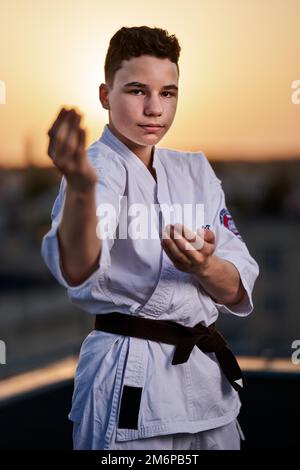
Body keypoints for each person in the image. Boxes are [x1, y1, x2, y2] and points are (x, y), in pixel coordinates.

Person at [41, 25, 259, 450]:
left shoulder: (194, 170)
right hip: (130, 381)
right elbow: (78, 266)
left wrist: (205, 266)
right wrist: (82, 190)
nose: (154, 109)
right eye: (137, 91)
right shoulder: (95, 170)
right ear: (106, 95)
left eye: (168, 93)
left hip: (209, 388)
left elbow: (236, 286)